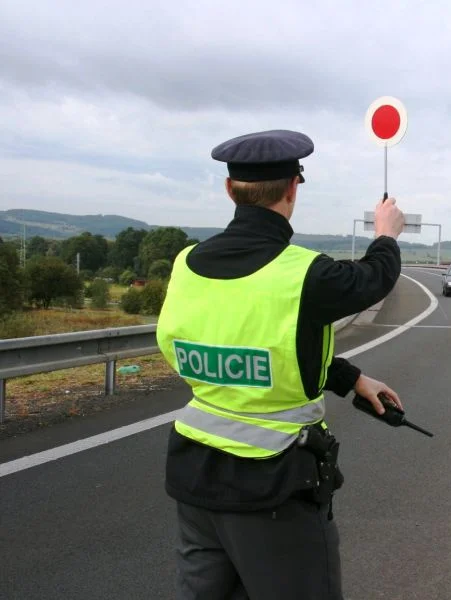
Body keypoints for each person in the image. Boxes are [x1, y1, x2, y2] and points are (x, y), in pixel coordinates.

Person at [155, 129, 406, 600]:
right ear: (293, 189)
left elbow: (267, 346)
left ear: (230, 191)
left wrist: (352, 379)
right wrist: (386, 233)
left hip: (194, 476)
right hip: (272, 486)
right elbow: (375, 278)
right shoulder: (304, 273)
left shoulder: (187, 263)